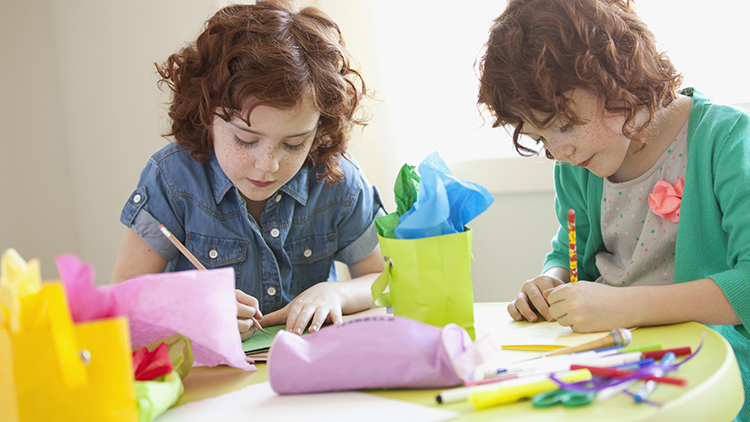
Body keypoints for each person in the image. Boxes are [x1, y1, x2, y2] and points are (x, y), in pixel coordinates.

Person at [477, 0, 750, 419]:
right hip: (612, 358)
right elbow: (570, 251)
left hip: (706, 369)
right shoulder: (577, 164)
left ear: (622, 77)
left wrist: (625, 306)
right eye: (540, 136)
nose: (559, 151)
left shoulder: (726, 141)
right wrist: (552, 280)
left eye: (565, 125)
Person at [111, 1, 386, 341]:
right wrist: (194, 307)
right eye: (245, 139)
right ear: (207, 113)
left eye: (294, 144)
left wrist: (335, 294)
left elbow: (381, 280)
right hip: (208, 378)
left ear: (320, 128)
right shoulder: (173, 180)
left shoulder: (336, 178)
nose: (268, 165)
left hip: (307, 374)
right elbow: (122, 300)